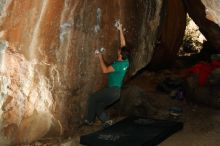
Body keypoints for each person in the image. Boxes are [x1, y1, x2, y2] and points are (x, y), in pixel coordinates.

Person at [84, 23, 130, 127]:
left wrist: (100, 56)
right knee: (99, 106)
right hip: (116, 93)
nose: (118, 49)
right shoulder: (126, 61)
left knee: (93, 98)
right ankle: (107, 121)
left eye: (119, 50)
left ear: (120, 54)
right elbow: (123, 44)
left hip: (112, 90)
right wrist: (120, 29)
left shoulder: (118, 65)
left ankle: (89, 120)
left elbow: (105, 70)